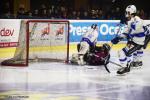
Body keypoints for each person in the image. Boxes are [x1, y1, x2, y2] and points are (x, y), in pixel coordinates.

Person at [111, 5, 146, 74]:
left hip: (138, 42)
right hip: (135, 41)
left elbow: (135, 27)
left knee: (121, 52)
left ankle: (125, 67)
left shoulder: (137, 19)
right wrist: (118, 38)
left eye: (128, 12)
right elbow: (126, 32)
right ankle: (136, 62)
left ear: (132, 12)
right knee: (130, 51)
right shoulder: (131, 20)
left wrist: (127, 22)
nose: (126, 14)